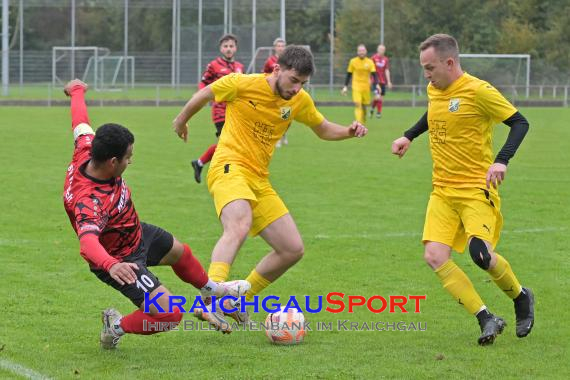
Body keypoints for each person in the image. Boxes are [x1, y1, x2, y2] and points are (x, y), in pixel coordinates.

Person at [172, 46, 368, 322]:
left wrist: (348, 131)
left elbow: (322, 129)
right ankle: (209, 297)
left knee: (292, 249)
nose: (297, 88)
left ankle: (235, 301)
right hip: (229, 167)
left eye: (302, 83)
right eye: (293, 80)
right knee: (238, 224)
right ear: (277, 69)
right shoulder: (242, 83)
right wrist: (181, 121)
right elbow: (205, 95)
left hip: (258, 178)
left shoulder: (299, 100)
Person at [62, 79, 249, 349]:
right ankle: (115, 327)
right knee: (169, 315)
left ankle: (211, 294)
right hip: (122, 261)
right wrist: (112, 265)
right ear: (113, 162)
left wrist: (77, 91)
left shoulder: (87, 149)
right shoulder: (90, 201)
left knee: (181, 254)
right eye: (128, 157)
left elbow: (80, 123)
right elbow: (88, 242)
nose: (131, 161)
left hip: (134, 232)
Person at [391, 34, 534, 346]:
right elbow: (434, 113)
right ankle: (486, 318)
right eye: (424, 69)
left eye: (430, 68)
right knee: (434, 256)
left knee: (481, 254)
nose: (426, 75)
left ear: (450, 62)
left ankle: (521, 297)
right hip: (442, 191)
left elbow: (520, 123)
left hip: (475, 189)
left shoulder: (478, 90)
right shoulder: (435, 89)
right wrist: (409, 136)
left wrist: (502, 161)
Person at [191, 34, 244, 184]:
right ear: (221, 48)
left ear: (236, 48)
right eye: (226, 46)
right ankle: (224, 172)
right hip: (220, 111)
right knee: (229, 143)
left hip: (236, 112)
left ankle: (200, 163)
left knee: (228, 144)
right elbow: (203, 83)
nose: (228, 49)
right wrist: (201, 97)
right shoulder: (214, 65)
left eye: (231, 46)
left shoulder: (240, 67)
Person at [341, 44, 379, 125]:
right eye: (360, 51)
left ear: (366, 52)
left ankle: (363, 117)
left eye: (363, 50)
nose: (361, 52)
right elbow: (349, 74)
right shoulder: (353, 61)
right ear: (357, 52)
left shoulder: (370, 62)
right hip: (356, 86)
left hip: (366, 87)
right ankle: (359, 123)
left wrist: (376, 87)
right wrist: (345, 87)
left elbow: (374, 75)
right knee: (358, 104)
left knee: (364, 106)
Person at [263, 38, 289, 148]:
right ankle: (276, 137)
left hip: (285, 92)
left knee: (286, 116)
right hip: (273, 92)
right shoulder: (270, 61)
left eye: (282, 46)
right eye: (278, 46)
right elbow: (264, 75)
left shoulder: (288, 61)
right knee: (274, 114)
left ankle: (283, 134)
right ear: (275, 47)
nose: (280, 48)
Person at [370, 44, 393, 118]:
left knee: (381, 98)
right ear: (377, 49)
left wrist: (389, 81)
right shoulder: (373, 58)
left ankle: (377, 112)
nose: (382, 51)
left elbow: (386, 70)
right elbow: (369, 70)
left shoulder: (385, 59)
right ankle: (375, 110)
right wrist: (369, 79)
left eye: (383, 49)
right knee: (377, 97)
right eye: (380, 49)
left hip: (382, 81)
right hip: (375, 81)